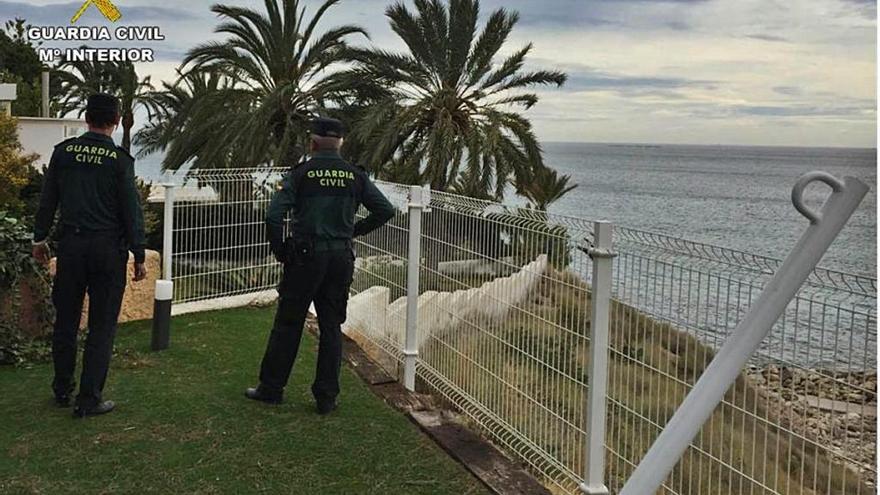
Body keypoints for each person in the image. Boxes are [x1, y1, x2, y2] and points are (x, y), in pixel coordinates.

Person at [246, 117, 395, 414]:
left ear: (312, 143)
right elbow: (385, 209)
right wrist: (355, 230)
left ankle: (271, 389)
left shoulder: (301, 174)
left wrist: (280, 250)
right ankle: (326, 398)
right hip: (340, 258)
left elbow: (273, 216)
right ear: (341, 143)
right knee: (331, 326)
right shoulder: (355, 176)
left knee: (289, 323)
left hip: (305, 258)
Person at [32, 93, 147, 418]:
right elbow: (131, 211)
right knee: (101, 326)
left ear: (87, 118)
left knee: (66, 322)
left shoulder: (63, 153)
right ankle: (89, 399)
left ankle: (62, 389)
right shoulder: (120, 160)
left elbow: (47, 201)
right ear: (115, 120)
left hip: (71, 248)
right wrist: (138, 253)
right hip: (107, 251)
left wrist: (39, 239)